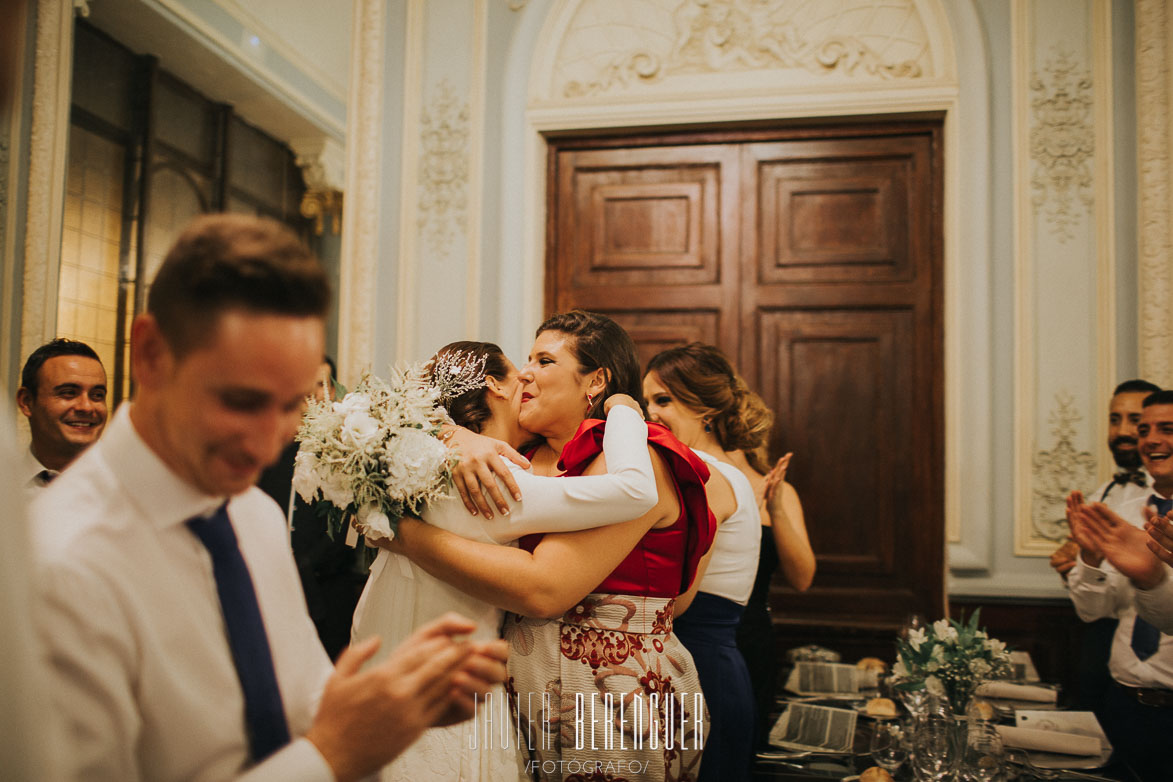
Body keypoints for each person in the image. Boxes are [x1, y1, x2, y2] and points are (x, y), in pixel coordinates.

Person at [29, 214, 507, 782]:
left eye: (290, 406)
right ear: (151, 354)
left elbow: (301, 704)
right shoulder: (57, 563)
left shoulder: (251, 515)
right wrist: (333, 754)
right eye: (241, 401)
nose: (267, 442)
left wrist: (391, 705)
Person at [389, 311, 717, 782]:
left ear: (596, 380)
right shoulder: (517, 453)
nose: (525, 373)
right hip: (511, 693)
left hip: (609, 698)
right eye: (526, 359)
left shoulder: (637, 457)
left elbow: (545, 589)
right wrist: (453, 433)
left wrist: (402, 534)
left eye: (544, 360)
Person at [353, 339, 659, 781]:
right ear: (495, 386)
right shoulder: (496, 483)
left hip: (374, 682)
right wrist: (626, 410)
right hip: (448, 698)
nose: (529, 380)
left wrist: (450, 433)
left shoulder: (403, 465)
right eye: (522, 370)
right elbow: (634, 491)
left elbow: (357, 517)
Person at [643, 343, 778, 782]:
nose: (651, 412)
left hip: (701, 665)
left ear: (704, 409)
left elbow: (678, 602)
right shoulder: (728, 472)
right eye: (647, 401)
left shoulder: (702, 474)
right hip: (716, 660)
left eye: (663, 400)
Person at [1067, 389, 1173, 781]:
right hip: (1122, 703)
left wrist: (1152, 578)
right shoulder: (1121, 514)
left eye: (1168, 429)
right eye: (1145, 430)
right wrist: (1091, 559)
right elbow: (1092, 610)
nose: (1150, 439)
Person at [1049, 379, 1160, 718]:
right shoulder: (1105, 494)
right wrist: (1083, 560)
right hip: (1109, 649)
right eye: (1115, 420)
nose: (1123, 431)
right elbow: (1091, 599)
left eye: (1135, 422)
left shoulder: (1162, 492)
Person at [257, 355, 365, 660]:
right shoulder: (268, 449)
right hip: (271, 590)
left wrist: (302, 566)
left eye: (321, 384)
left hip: (328, 593)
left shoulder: (347, 449)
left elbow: (349, 532)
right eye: (306, 384)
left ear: (333, 390)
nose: (313, 392)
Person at [16, 337, 108, 491]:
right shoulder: (6, 488)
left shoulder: (132, 487)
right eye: (69, 393)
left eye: (97, 395)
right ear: (26, 402)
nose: (86, 407)